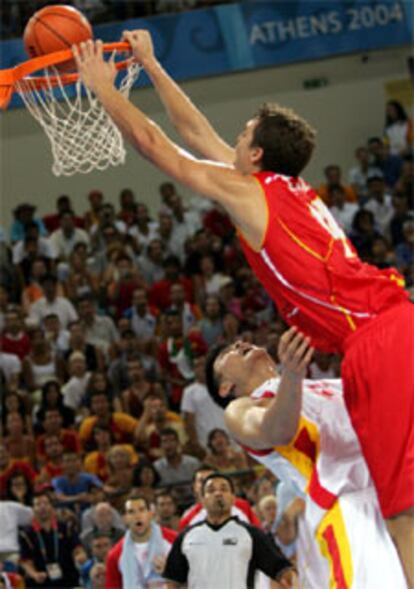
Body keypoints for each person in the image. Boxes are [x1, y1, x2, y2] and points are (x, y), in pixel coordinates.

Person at [74, 32, 414, 585]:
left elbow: (159, 146)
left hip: (376, 337)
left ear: (255, 155)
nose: (231, 137)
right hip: (387, 327)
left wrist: (102, 91)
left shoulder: (252, 195)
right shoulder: (282, 187)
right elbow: (194, 131)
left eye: (243, 133)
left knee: (403, 508)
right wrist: (153, 66)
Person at [204, 330, 407, 588]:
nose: (241, 343)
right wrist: (291, 374)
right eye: (228, 352)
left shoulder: (327, 385)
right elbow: (278, 430)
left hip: (393, 490)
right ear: (225, 387)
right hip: (349, 509)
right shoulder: (241, 408)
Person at [163, 473, 296, 589]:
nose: (218, 493)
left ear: (233, 498)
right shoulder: (186, 536)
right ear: (202, 500)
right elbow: (172, 583)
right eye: (211, 490)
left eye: (224, 489)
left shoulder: (252, 534)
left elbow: (284, 573)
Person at [105, 494, 177, 589]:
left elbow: (190, 578)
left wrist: (170, 572)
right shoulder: (115, 555)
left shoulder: (174, 541)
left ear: (150, 514)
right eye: (131, 512)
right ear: (124, 518)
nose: (137, 516)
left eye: (142, 510)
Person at [18, 490, 80, 588]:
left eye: (46, 503)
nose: (42, 507)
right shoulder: (25, 534)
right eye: (38, 504)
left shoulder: (66, 527)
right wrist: (35, 574)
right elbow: (26, 561)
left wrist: (80, 557)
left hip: (68, 580)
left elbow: (77, 549)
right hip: (40, 583)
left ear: (52, 507)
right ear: (32, 509)